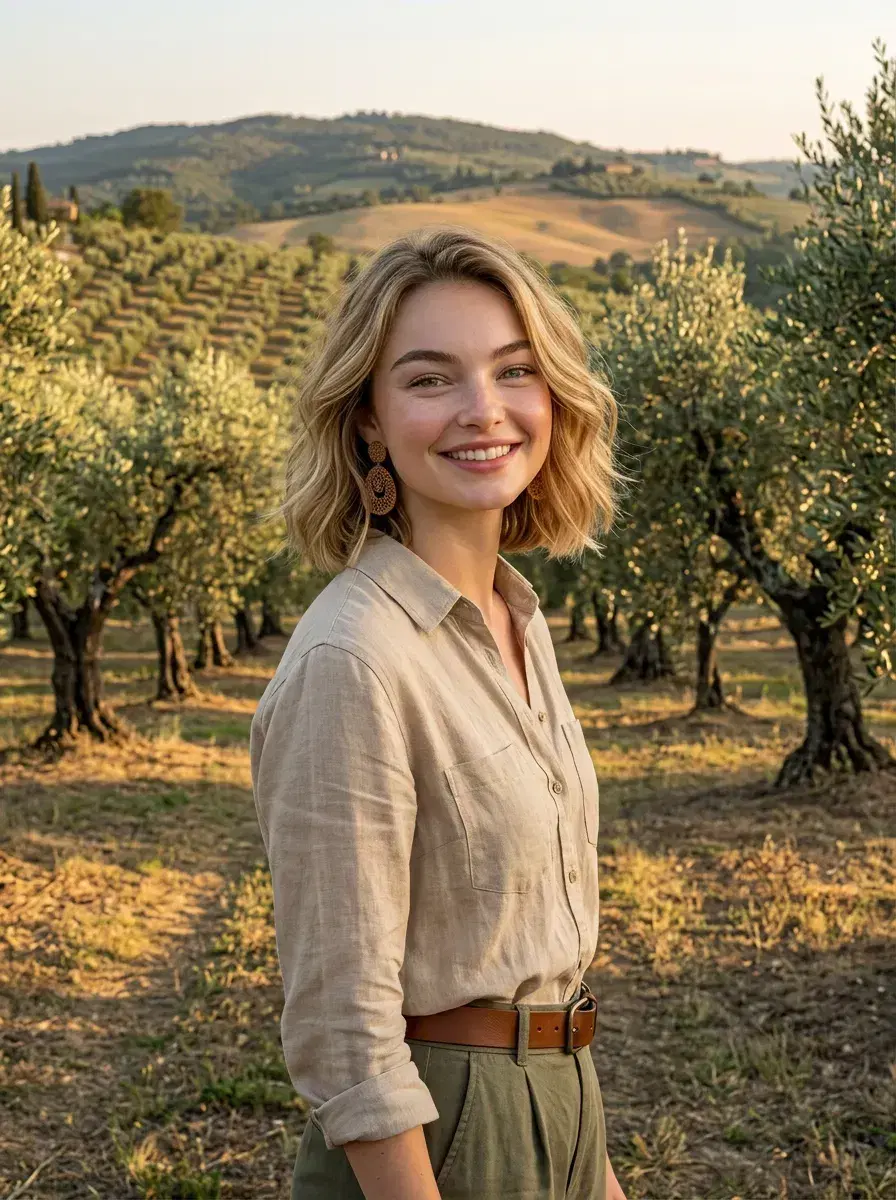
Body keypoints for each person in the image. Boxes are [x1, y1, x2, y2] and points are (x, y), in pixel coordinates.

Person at [249, 225, 627, 1199]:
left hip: (559, 1097)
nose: (483, 410)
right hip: (434, 1138)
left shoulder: (519, 619)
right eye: (428, 379)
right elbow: (342, 1029)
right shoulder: (353, 660)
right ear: (368, 420)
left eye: (513, 371)